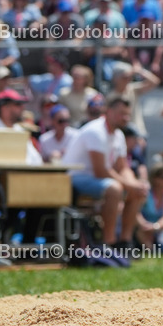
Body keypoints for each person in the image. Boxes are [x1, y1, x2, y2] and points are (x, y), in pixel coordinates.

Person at [61, 94, 147, 247]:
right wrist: (130, 185)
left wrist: (135, 185)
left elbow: (123, 167)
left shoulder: (119, 134)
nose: (126, 118)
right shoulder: (95, 131)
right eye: (122, 114)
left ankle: (125, 242)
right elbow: (100, 171)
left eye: (127, 114)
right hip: (75, 178)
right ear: (108, 111)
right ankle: (109, 242)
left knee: (137, 190)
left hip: (95, 178)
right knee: (114, 189)